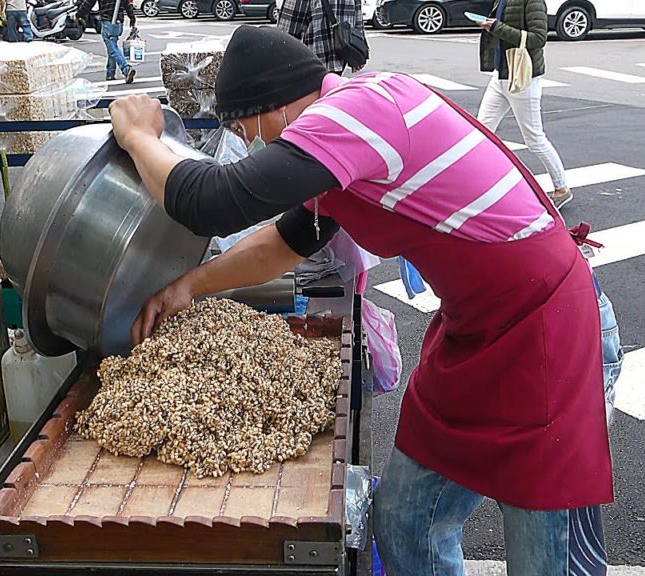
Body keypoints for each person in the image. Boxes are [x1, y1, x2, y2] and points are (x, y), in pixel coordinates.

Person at [108, 26, 611, 575]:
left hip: (545, 331)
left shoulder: (355, 112)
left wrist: (139, 137)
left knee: (544, 554)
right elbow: (286, 242)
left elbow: (213, 201)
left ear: (270, 110)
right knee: (404, 523)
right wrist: (188, 286)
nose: (248, 142)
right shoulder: (339, 143)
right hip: (478, 331)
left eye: (241, 127)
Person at [477, 0, 572, 209]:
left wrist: (496, 27)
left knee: (535, 140)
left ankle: (561, 188)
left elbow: (539, 38)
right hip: (500, 75)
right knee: (481, 133)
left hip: (522, 78)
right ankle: (480, 185)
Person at [278, 0, 366, 74]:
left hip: (313, 59)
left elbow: (287, 29)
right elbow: (358, 16)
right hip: (343, 53)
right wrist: (360, 54)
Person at [77, 0, 137, 83]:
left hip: (108, 21)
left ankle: (126, 68)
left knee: (113, 47)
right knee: (112, 46)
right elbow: (126, 3)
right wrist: (132, 17)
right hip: (118, 21)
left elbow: (89, 3)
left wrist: (79, 15)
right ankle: (110, 73)